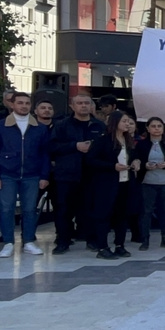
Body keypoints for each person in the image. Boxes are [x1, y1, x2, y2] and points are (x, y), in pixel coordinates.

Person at [0, 92, 51, 257]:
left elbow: (45, 153)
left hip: (32, 174)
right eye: (20, 103)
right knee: (6, 209)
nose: (24, 106)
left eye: (27, 103)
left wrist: (44, 175)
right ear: (12, 104)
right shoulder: (0, 126)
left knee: (30, 209)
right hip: (6, 173)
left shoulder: (40, 128)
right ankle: (9, 242)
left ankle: (29, 241)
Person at [48, 94, 106, 254]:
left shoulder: (100, 126)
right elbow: (52, 147)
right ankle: (63, 241)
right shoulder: (61, 125)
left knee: (91, 208)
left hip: (92, 174)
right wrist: (75, 146)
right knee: (63, 209)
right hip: (67, 174)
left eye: (87, 103)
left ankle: (92, 239)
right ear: (72, 106)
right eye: (79, 103)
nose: (83, 106)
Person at [86, 111, 140, 260]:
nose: (127, 124)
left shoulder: (128, 140)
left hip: (125, 183)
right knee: (104, 215)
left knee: (122, 215)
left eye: (128, 122)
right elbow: (90, 160)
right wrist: (112, 166)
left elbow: (133, 156)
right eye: (124, 121)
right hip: (107, 184)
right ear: (115, 123)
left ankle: (119, 245)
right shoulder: (103, 141)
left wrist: (136, 162)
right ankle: (102, 247)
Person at [135, 117, 165, 251]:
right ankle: (145, 240)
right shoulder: (142, 144)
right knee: (146, 211)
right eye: (154, 126)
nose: (157, 129)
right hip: (147, 182)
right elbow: (135, 160)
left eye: (159, 126)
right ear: (148, 128)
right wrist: (145, 165)